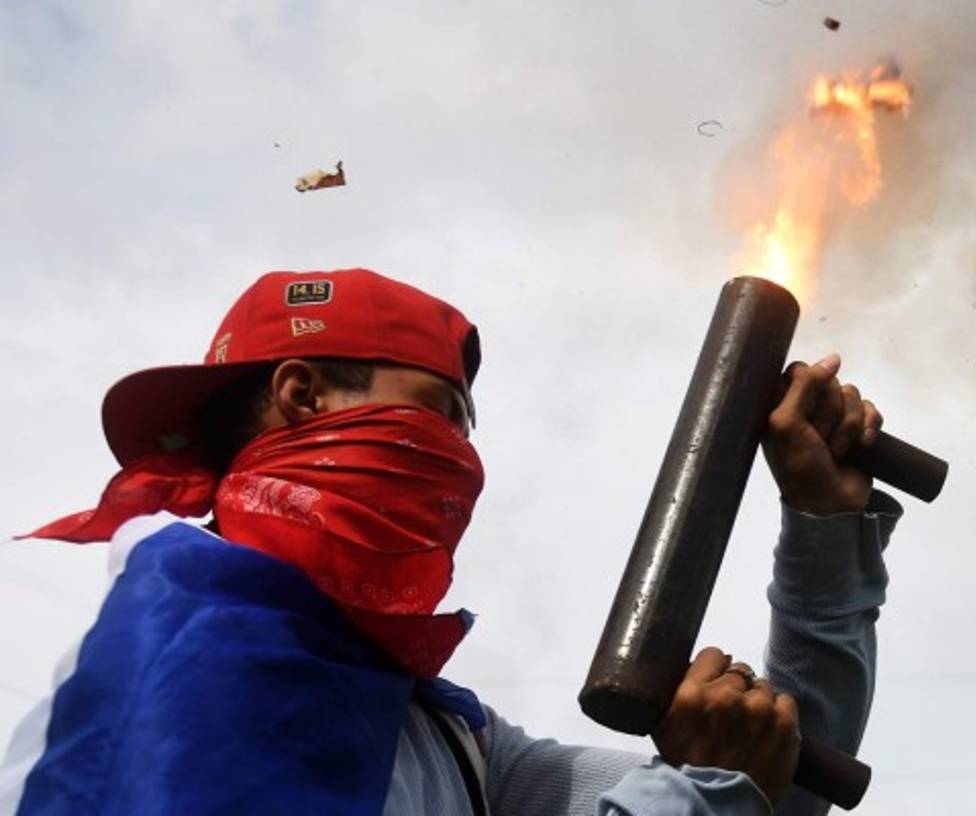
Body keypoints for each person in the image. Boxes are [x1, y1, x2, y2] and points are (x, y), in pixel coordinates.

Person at [0, 267, 901, 815]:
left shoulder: (448, 740)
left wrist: (824, 527)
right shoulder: (140, 636)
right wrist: (694, 794)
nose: (458, 459)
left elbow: (770, 796)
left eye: (466, 433)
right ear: (303, 395)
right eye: (436, 415)